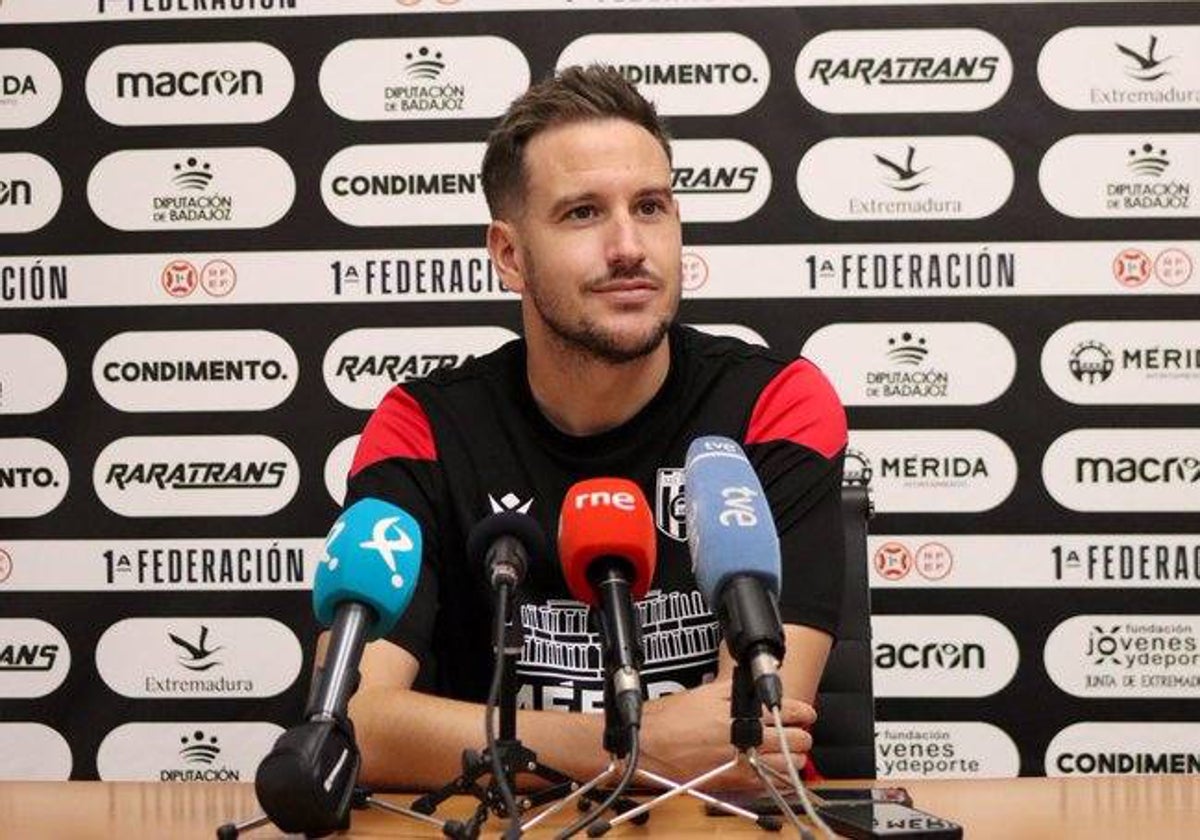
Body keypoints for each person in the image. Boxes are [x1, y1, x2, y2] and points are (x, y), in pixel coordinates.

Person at [338, 64, 848, 791]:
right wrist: (628, 743)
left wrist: (490, 743)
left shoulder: (777, 402)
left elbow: (755, 739)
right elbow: (352, 723)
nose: (629, 247)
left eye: (650, 206)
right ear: (510, 255)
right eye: (582, 213)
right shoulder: (421, 425)